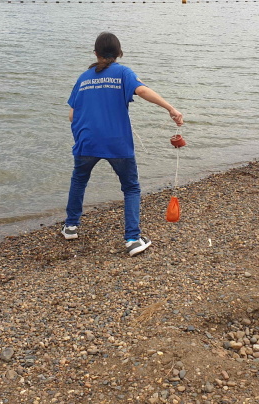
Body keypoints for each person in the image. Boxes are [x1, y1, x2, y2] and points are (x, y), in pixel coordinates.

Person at [62, 32, 184, 256]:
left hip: (86, 140)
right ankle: (132, 239)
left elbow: (72, 115)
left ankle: (70, 226)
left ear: (96, 53)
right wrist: (171, 109)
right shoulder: (123, 73)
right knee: (130, 187)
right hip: (116, 142)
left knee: (79, 180)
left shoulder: (83, 78)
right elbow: (143, 91)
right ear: (119, 53)